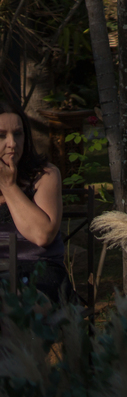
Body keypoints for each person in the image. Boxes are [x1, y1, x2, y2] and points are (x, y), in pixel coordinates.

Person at [0, 99, 69, 302]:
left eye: (18, 134)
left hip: (39, 274)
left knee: (15, 304)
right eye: (1, 135)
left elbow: (42, 235)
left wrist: (8, 187)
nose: (12, 143)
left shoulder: (45, 175)